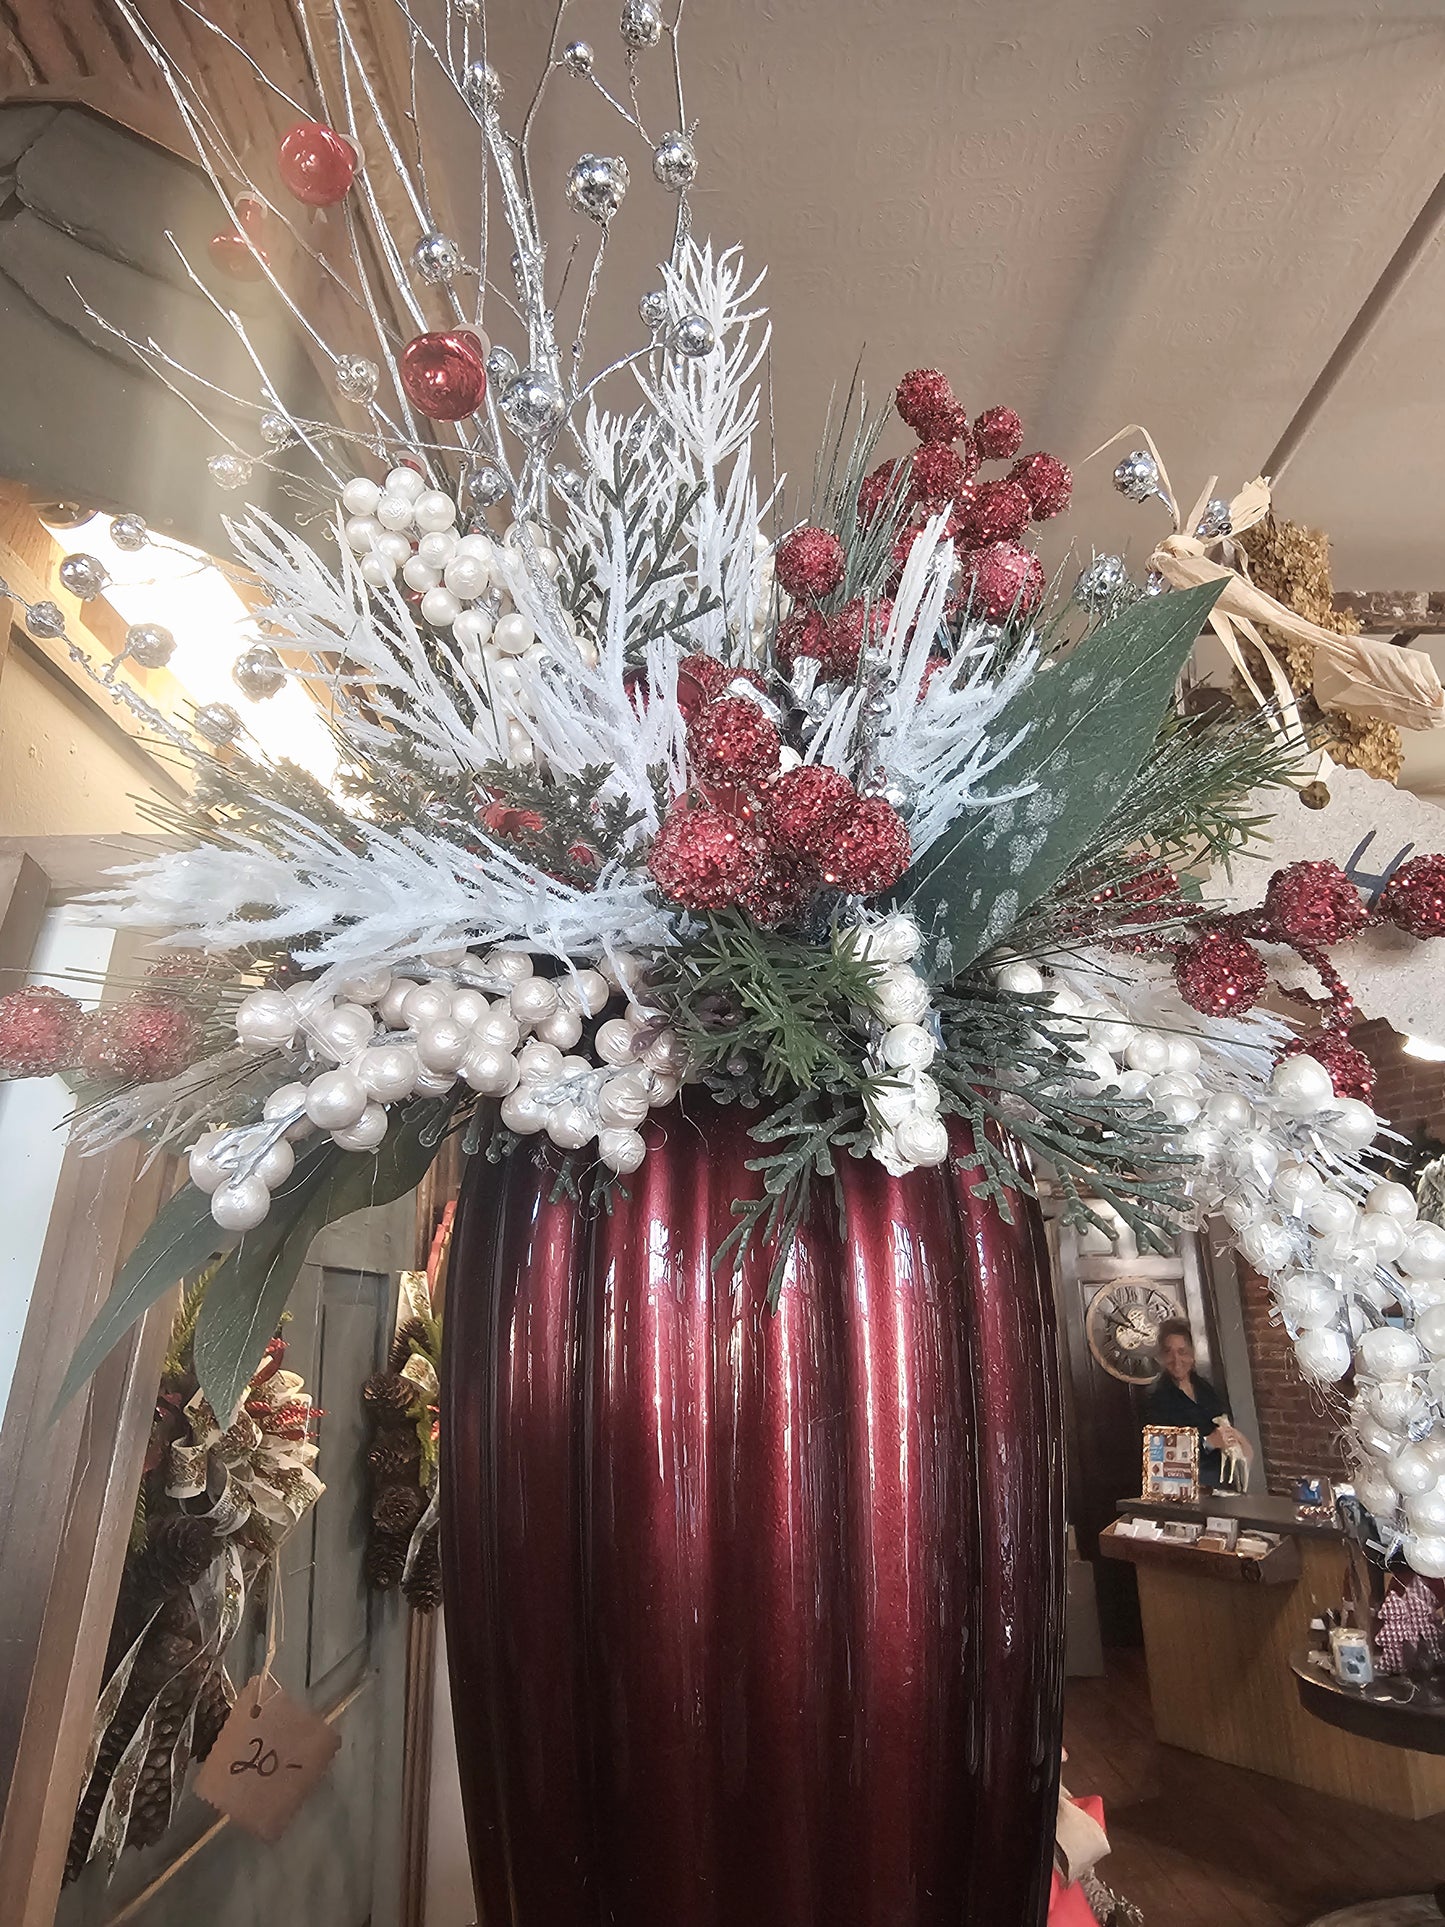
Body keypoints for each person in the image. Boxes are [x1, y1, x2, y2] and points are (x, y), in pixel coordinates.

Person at [1143, 1317, 1253, 1491]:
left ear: (1193, 1354)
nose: (1176, 1359)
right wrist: (1207, 1442)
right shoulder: (1156, 1397)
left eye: (1182, 1351)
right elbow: (1161, 1451)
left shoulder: (1206, 1388)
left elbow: (1223, 1419)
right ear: (1162, 1357)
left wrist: (1235, 1436)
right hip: (1184, 1487)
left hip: (1221, 1482)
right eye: (1169, 1352)